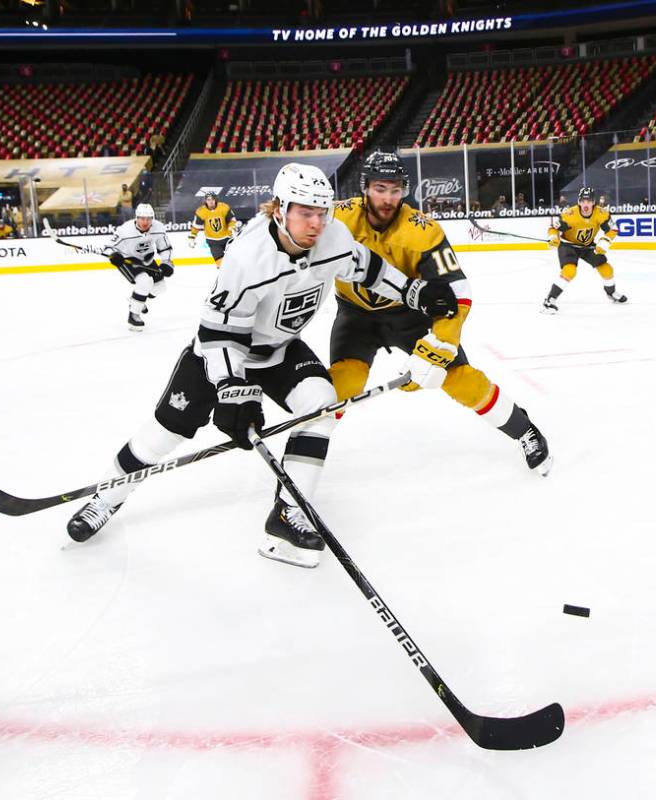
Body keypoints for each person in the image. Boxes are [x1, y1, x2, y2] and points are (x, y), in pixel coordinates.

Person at [65, 163, 460, 567]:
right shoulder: (247, 256)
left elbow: (368, 269)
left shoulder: (334, 237)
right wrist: (233, 391)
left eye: (321, 212)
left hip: (280, 349)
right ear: (279, 209)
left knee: (321, 406)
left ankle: (288, 512)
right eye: (305, 212)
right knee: (163, 434)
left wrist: (416, 292)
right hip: (220, 355)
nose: (317, 223)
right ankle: (106, 496)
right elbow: (219, 335)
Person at [330, 151, 553, 476]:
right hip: (355, 316)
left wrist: (442, 343)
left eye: (395, 189)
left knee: (460, 379)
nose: (388, 198)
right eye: (380, 188)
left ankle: (524, 429)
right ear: (365, 187)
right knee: (339, 387)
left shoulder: (423, 230)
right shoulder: (336, 217)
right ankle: (302, 456)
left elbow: (457, 292)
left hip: (410, 315)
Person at [541, 187, 627, 313]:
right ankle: (549, 300)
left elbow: (613, 230)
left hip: (587, 245)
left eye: (589, 201)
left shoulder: (601, 213)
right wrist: (553, 237)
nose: (585, 204)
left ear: (593, 202)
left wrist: (605, 241)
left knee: (607, 269)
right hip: (568, 245)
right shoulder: (569, 215)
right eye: (583, 201)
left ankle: (611, 293)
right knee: (570, 271)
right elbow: (553, 229)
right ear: (579, 202)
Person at [102, 203, 175, 331]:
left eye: (148, 219)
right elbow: (109, 247)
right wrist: (114, 256)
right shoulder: (125, 230)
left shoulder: (158, 227)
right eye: (142, 218)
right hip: (128, 259)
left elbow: (164, 247)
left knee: (160, 287)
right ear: (137, 218)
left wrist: (166, 262)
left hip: (147, 259)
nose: (145, 222)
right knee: (144, 282)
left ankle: (135, 300)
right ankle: (133, 316)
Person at [188, 191, 237, 268]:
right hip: (213, 242)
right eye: (208, 199)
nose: (210, 201)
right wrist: (192, 238)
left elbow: (232, 220)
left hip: (227, 239)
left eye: (212, 199)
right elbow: (196, 226)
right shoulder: (201, 211)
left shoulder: (224, 207)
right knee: (220, 265)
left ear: (215, 200)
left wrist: (232, 227)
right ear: (205, 201)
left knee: (234, 261)